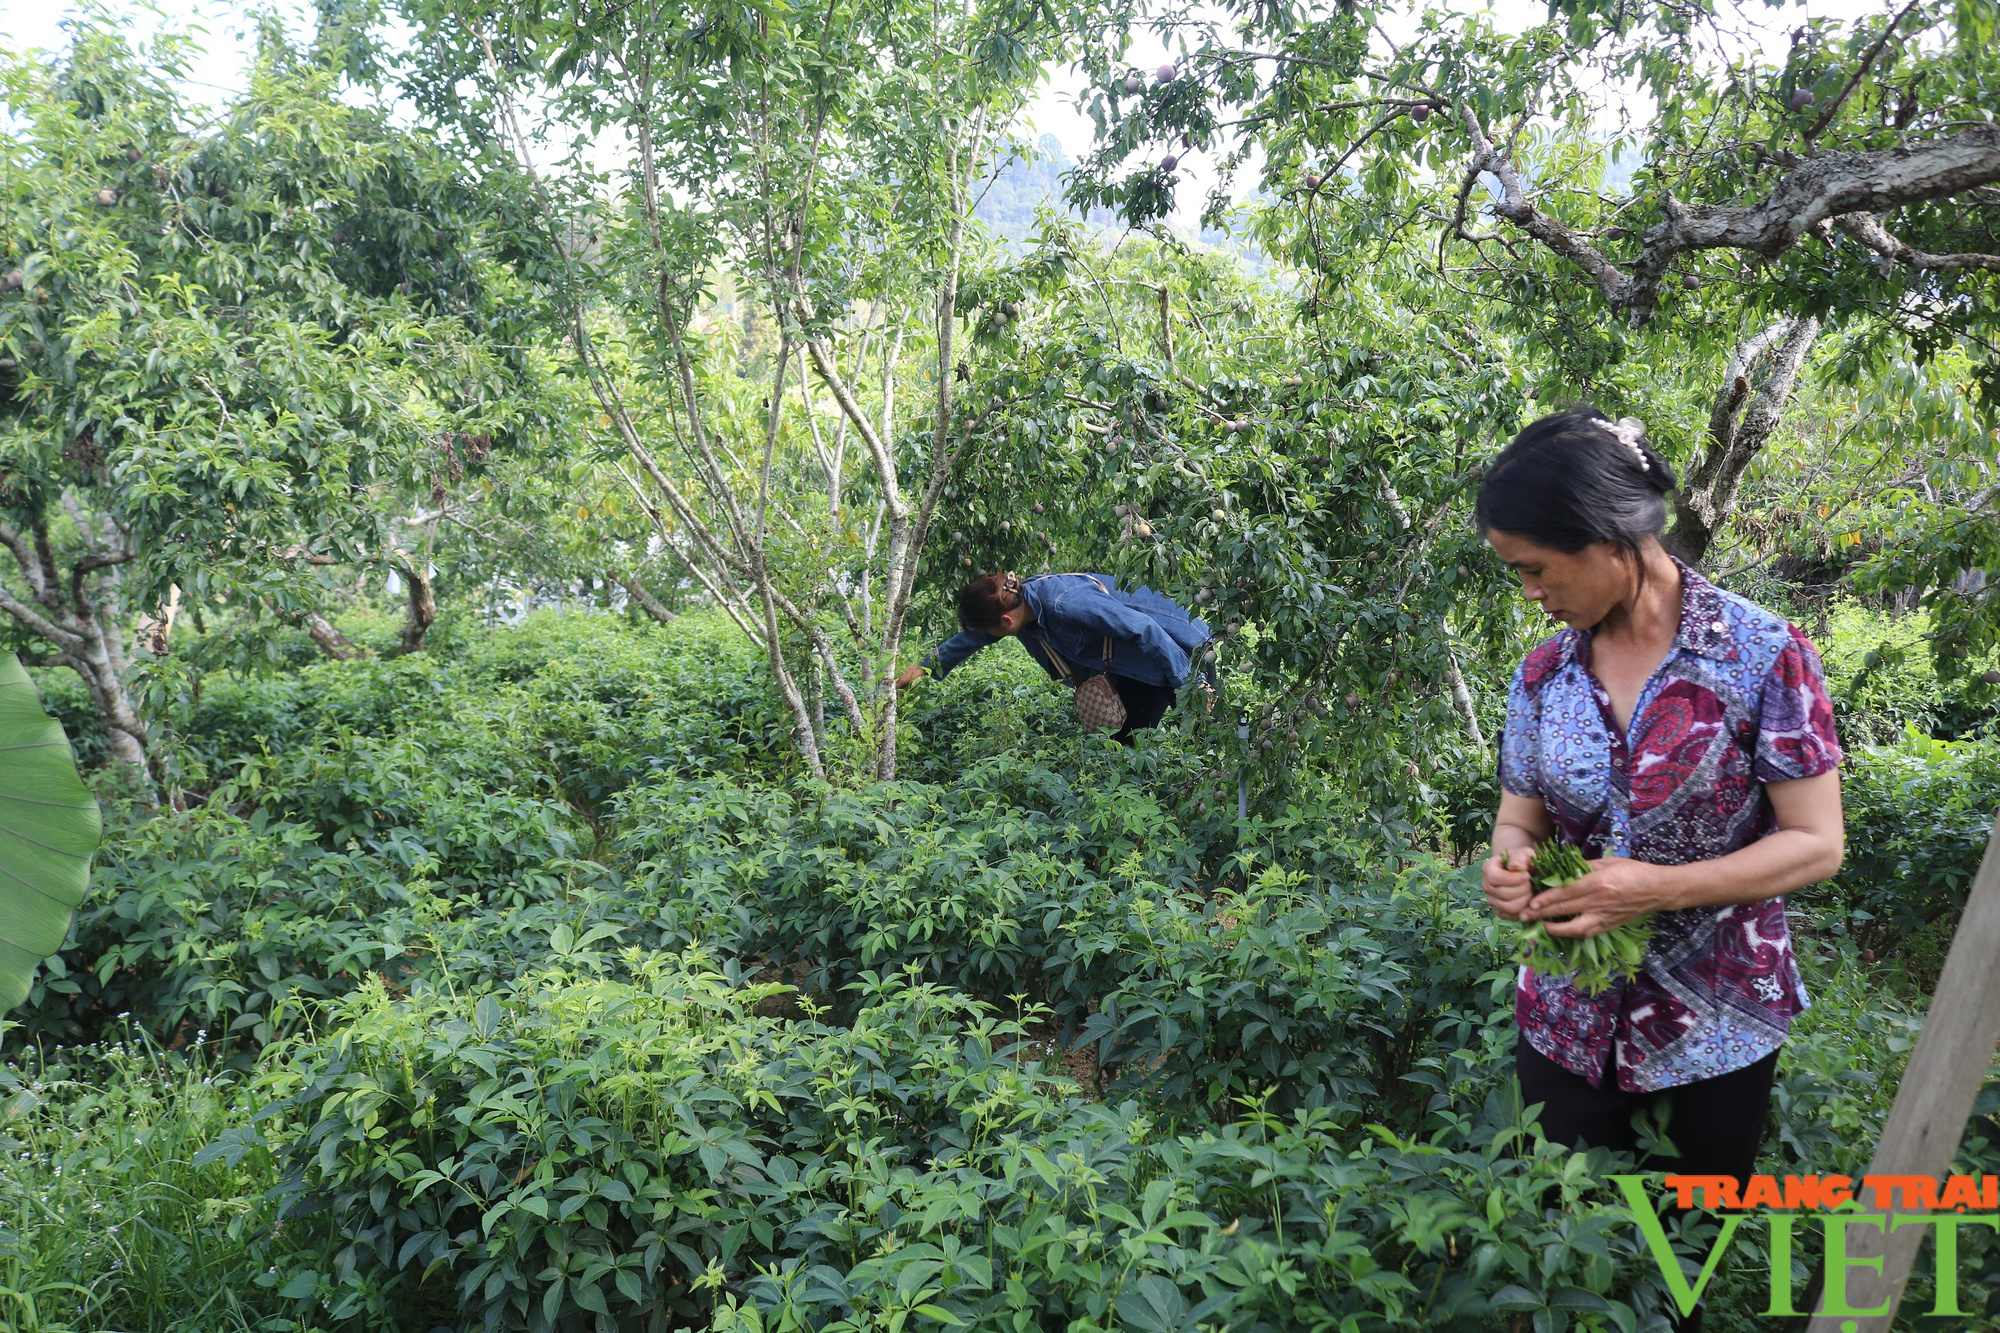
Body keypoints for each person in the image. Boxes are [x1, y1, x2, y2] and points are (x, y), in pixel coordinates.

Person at [1476, 409, 1844, 1330]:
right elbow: (1519, 814)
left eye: (1534, 567)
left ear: (1608, 539)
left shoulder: (1763, 654)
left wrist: (1656, 886)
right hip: (1565, 1015)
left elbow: (1816, 841)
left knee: (1681, 1260)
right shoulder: (1543, 672)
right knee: (1568, 1241)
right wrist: (1511, 866)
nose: (1528, 592)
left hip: (1716, 1024)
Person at [893, 571, 1214, 743]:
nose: (988, 636)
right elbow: (973, 637)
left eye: (992, 630)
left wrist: (1193, 683)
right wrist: (923, 667)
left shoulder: (1064, 603)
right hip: (1134, 664)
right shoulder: (1021, 605)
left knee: (1207, 733)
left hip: (1179, 646)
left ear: (1006, 622)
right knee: (1125, 745)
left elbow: (1144, 629)